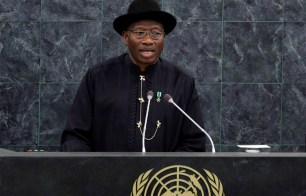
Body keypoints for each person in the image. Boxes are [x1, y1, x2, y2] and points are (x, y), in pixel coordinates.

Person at [61, 0, 206, 152]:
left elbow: (194, 143)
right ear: (126, 37)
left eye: (156, 33)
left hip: (162, 175)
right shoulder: (98, 77)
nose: (148, 40)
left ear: (164, 38)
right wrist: (95, 171)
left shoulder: (181, 82)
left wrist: (166, 174)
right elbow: (75, 137)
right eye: (140, 33)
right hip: (107, 175)